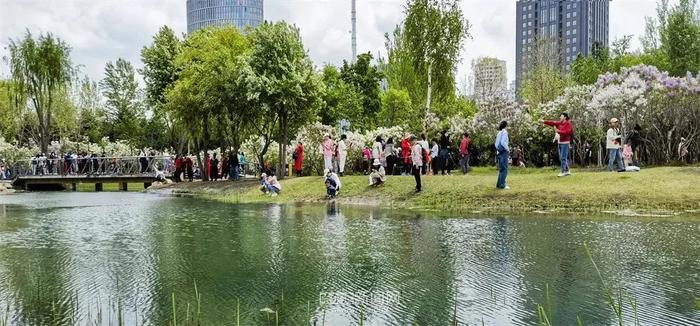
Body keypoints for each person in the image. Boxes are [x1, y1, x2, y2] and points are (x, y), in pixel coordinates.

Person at [543, 113, 574, 177]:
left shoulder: (568, 123)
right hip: (560, 142)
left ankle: (563, 172)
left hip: (565, 143)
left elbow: (568, 132)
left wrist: (558, 131)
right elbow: (552, 123)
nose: (560, 117)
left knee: (563, 157)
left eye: (561, 116)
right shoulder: (560, 123)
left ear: (565, 117)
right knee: (562, 158)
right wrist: (544, 121)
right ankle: (567, 171)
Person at [495, 121, 510, 189]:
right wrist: (507, 149)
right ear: (506, 126)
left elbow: (496, 144)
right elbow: (503, 142)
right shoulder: (505, 132)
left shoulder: (499, 133)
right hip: (503, 151)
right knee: (504, 169)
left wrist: (498, 150)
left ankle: (498, 184)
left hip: (499, 152)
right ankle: (502, 185)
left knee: (501, 169)